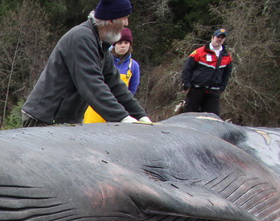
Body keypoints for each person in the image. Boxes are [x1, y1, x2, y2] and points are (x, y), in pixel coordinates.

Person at [21, 0, 150, 127]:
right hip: (44, 119)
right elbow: (91, 83)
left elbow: (115, 84)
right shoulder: (81, 38)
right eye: (125, 18)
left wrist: (141, 116)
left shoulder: (101, 45)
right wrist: (122, 117)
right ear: (111, 20)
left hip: (65, 121)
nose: (126, 24)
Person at [83, 28, 140, 123]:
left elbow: (132, 90)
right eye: (119, 43)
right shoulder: (102, 60)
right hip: (96, 107)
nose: (123, 46)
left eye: (126, 43)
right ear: (113, 45)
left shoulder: (133, 65)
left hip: (119, 109)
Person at [180, 28, 233, 115]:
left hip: (214, 92)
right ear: (212, 37)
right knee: (189, 116)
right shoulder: (199, 52)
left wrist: (222, 88)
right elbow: (187, 69)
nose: (219, 40)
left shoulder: (227, 56)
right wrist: (186, 84)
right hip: (196, 90)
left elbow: (227, 74)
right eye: (218, 37)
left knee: (213, 119)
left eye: (222, 38)